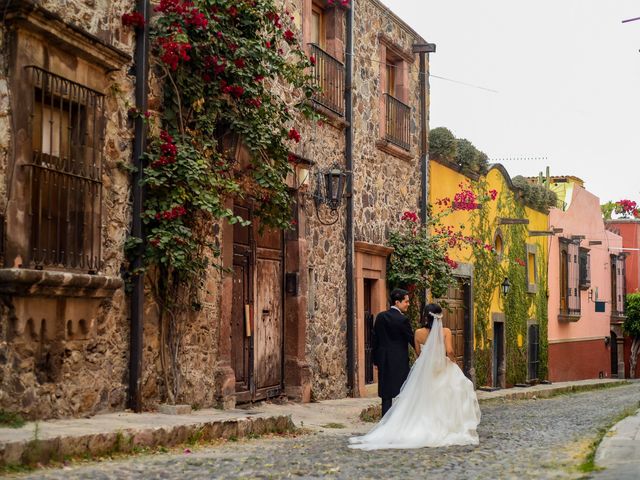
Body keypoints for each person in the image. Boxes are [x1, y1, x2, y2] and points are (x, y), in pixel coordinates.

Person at [349, 303, 481, 450]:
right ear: (440, 316)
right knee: (447, 395)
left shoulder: (418, 333)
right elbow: (449, 350)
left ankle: (416, 426)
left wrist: (426, 363)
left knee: (422, 399)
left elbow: (419, 353)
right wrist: (453, 361)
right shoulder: (445, 332)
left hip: (424, 370)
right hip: (441, 367)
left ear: (425, 316)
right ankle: (444, 426)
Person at [371, 288, 414, 417]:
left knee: (386, 394)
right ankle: (400, 420)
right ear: (397, 302)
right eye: (406, 301)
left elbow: (375, 339)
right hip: (399, 361)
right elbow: (411, 339)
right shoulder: (403, 320)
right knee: (402, 391)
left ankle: (385, 421)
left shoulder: (380, 317)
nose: (408, 304)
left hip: (383, 359)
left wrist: (375, 360)